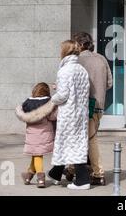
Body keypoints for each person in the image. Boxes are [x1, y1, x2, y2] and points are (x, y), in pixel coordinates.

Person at [47, 40, 91, 190]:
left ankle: (82, 180)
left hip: (69, 113)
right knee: (74, 143)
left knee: (70, 143)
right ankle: (56, 173)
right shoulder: (81, 69)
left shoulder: (65, 70)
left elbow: (63, 95)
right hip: (80, 112)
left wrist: (53, 98)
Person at [72, 32, 113, 186]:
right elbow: (109, 83)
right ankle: (74, 168)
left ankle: (98, 172)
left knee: (89, 140)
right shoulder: (101, 58)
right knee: (89, 137)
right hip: (99, 105)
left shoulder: (77, 60)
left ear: (80, 45)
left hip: (83, 105)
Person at [15, 82, 57, 188]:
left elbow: (22, 113)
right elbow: (53, 117)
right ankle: (41, 179)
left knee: (36, 154)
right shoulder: (48, 103)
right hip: (44, 135)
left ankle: (28, 175)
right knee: (38, 155)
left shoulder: (27, 104)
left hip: (32, 136)